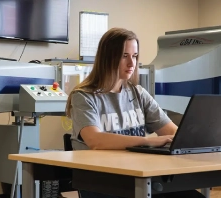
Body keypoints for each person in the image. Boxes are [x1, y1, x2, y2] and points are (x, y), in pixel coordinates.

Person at [65, 27, 206, 198]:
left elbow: (171, 132)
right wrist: (147, 142)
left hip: (139, 178)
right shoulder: (83, 96)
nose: (132, 63)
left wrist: (199, 138)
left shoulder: (137, 93)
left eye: (135, 56)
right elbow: (95, 140)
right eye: (124, 56)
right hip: (104, 183)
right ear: (108, 57)